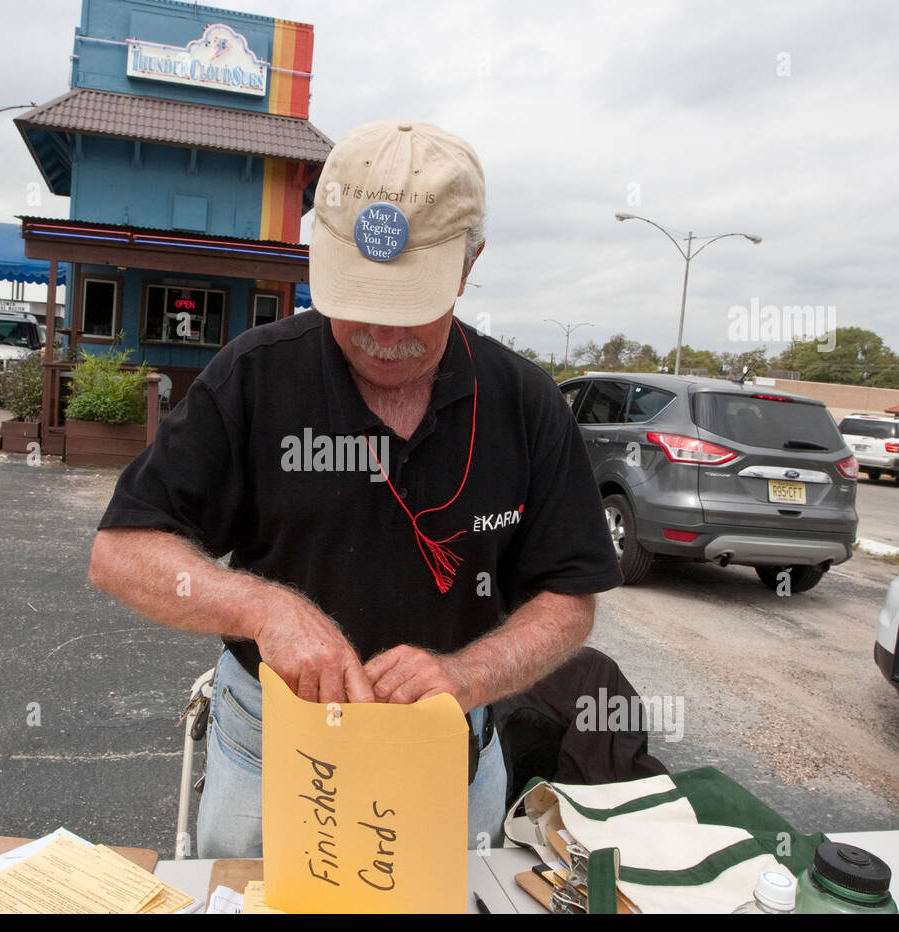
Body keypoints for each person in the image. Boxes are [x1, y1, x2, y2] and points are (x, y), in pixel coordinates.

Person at [88, 119, 622, 858]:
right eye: (359, 294)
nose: (380, 330)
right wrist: (264, 607)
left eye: (409, 304)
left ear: (469, 266)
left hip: (449, 753)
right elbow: (119, 552)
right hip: (269, 748)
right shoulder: (254, 375)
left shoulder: (525, 401)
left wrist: (466, 673)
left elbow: (571, 597)